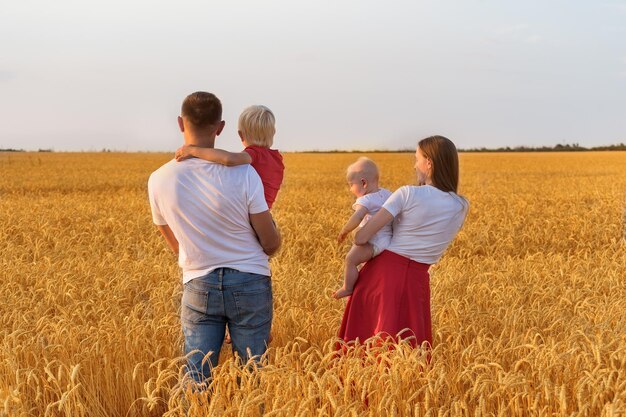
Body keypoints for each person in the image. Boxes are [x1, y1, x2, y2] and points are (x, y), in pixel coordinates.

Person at [148, 92, 281, 383]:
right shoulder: (245, 173)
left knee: (196, 374)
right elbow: (270, 244)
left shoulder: (158, 179)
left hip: (198, 281)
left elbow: (174, 243)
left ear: (180, 122)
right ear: (219, 128)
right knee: (253, 374)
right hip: (250, 279)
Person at [338, 135, 468, 349]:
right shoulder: (461, 205)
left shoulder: (407, 193)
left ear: (429, 163)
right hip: (417, 282)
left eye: (417, 159)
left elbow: (361, 238)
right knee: (407, 358)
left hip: (381, 277)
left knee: (366, 353)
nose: (415, 165)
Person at [174, 104, 284, 209]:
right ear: (273, 133)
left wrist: (193, 150)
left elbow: (228, 159)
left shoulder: (255, 154)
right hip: (266, 215)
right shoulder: (277, 158)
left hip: (251, 217)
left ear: (241, 135)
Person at [334, 157, 392, 299]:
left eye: (351, 184)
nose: (350, 189)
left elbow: (358, 217)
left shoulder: (365, 200)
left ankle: (347, 288)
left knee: (351, 259)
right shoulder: (387, 194)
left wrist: (345, 230)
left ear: (363, 183)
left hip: (374, 242)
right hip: (389, 240)